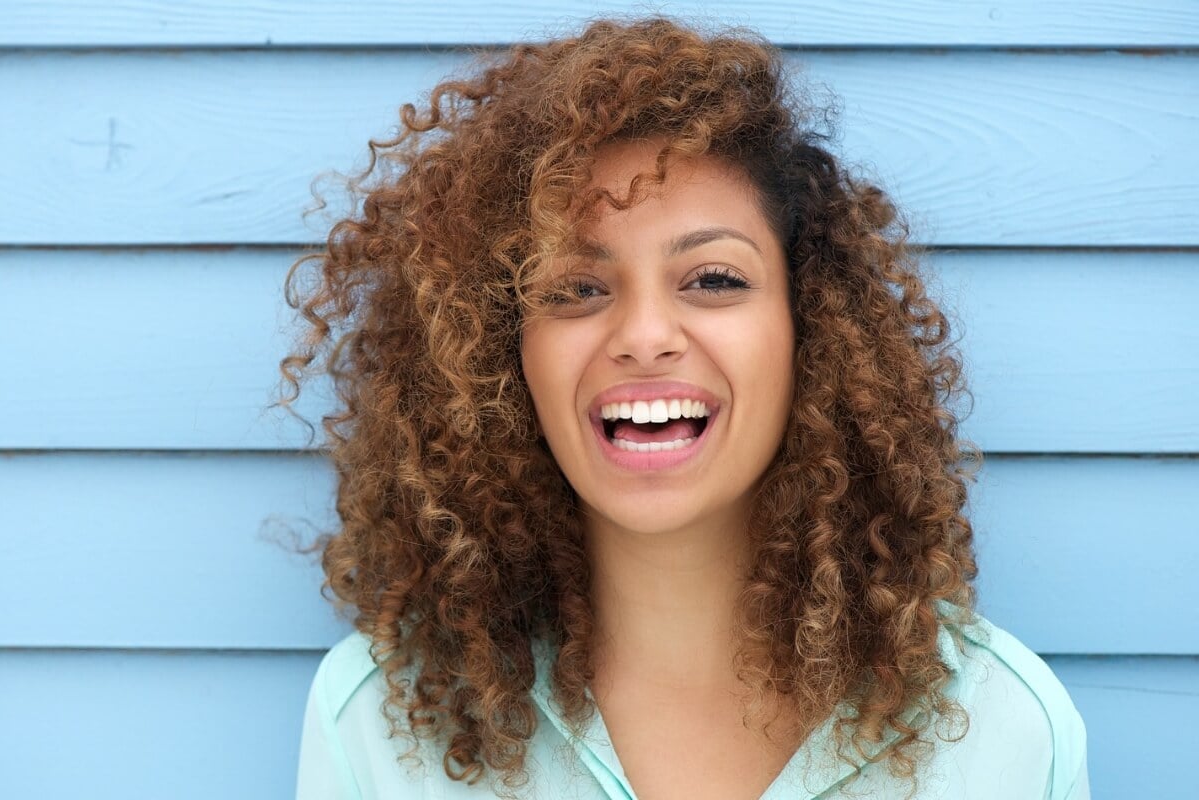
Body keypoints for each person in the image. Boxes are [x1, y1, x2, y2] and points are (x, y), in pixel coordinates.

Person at [280, 16, 1090, 800]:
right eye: (575, 289)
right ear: (499, 355)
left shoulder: (1000, 730)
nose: (643, 336)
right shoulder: (379, 723)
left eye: (713, 279)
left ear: (809, 329)